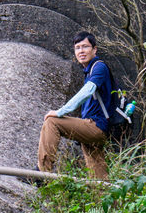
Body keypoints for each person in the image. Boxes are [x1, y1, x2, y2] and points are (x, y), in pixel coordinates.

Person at [38, 31, 111, 180]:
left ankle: (43, 173)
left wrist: (61, 112)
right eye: (77, 48)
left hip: (96, 126)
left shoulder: (99, 67)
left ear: (94, 49)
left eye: (85, 47)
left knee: (52, 122)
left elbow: (87, 92)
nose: (81, 51)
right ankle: (106, 201)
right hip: (95, 129)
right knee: (99, 180)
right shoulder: (89, 71)